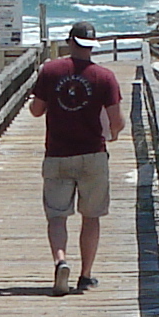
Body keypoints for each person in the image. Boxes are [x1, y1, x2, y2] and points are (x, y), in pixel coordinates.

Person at [28, 21, 124, 295]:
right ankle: (85, 275)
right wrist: (113, 133)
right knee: (91, 216)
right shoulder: (105, 77)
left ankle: (61, 261)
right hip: (93, 153)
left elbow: (37, 110)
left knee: (57, 216)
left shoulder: (51, 71)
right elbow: (116, 121)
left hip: (57, 153)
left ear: (70, 42)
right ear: (93, 46)